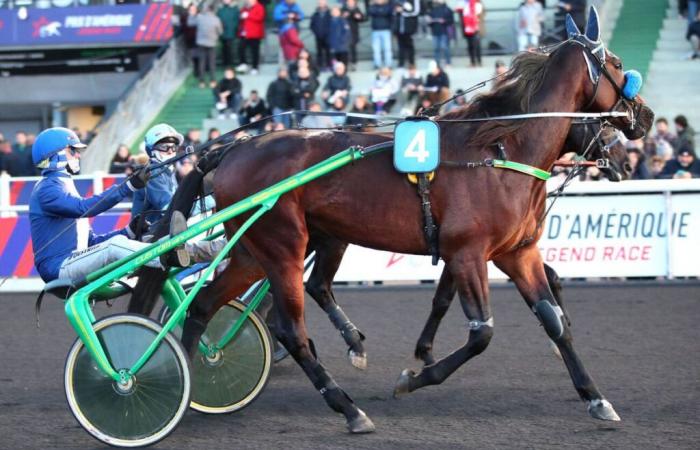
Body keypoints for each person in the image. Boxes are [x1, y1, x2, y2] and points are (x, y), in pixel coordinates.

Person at [28, 127, 183, 284]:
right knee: (114, 246)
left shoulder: (63, 185)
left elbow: (92, 243)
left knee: (121, 243)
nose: (78, 155)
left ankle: (177, 253)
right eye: (73, 150)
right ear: (56, 154)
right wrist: (127, 186)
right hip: (58, 267)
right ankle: (167, 258)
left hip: (71, 261)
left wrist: (129, 230)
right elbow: (83, 208)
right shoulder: (47, 188)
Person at [131, 124, 183, 224]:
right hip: (148, 236)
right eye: (164, 147)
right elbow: (169, 208)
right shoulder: (152, 173)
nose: (170, 151)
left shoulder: (167, 170)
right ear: (151, 151)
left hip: (162, 231)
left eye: (174, 147)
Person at [190, 3, 223, 88]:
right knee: (212, 62)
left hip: (201, 43)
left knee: (202, 62)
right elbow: (220, 32)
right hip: (212, 43)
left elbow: (190, 23)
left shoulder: (200, 17)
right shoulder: (216, 19)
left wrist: (192, 15)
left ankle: (202, 82)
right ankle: (212, 81)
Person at [237, 0, 265, 75]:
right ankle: (243, 64)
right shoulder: (245, 7)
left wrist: (248, 15)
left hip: (255, 34)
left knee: (255, 52)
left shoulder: (259, 7)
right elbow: (241, 17)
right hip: (245, 33)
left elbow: (260, 17)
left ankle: (255, 67)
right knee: (241, 48)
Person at [456, 0, 483, 67]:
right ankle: (473, 62)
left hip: (475, 28)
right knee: (470, 45)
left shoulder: (477, 4)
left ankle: (478, 61)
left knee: (476, 45)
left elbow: (479, 13)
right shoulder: (464, 4)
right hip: (467, 28)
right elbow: (460, 12)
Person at [394, 0, 420, 68]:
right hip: (399, 28)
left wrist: (403, 11)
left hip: (409, 28)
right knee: (400, 47)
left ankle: (411, 62)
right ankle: (401, 63)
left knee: (410, 46)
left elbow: (416, 12)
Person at [428, 0, 454, 68]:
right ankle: (437, 64)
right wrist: (430, 21)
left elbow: (451, 21)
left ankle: (448, 62)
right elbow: (429, 22)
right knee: (436, 49)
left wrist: (444, 21)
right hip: (435, 32)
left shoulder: (447, 9)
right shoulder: (432, 9)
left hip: (444, 32)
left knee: (445, 48)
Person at [369, 0, 394, 69]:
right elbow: (371, 13)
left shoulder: (388, 6)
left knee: (387, 48)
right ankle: (377, 64)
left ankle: (388, 64)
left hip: (386, 30)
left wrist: (379, 12)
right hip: (375, 30)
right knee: (376, 49)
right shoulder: (372, 6)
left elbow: (387, 13)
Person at [341, 0, 365, 71]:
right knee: (345, 49)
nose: (351, 3)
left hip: (354, 32)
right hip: (344, 33)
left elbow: (362, 18)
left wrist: (359, 17)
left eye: (352, 2)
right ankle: (346, 64)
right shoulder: (343, 9)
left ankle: (354, 63)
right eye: (349, 2)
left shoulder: (357, 9)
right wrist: (343, 16)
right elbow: (339, 18)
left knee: (353, 48)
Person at [217, 0, 240, 68]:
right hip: (223, 32)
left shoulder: (235, 9)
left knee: (230, 48)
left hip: (231, 32)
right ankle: (225, 63)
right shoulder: (220, 10)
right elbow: (218, 19)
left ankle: (230, 64)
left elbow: (237, 20)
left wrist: (234, 27)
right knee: (224, 48)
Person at [311, 0, 333, 70]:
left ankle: (329, 66)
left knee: (328, 52)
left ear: (326, 3)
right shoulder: (315, 14)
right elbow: (312, 25)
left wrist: (329, 32)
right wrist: (316, 32)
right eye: (320, 3)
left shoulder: (330, 13)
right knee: (319, 52)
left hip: (328, 37)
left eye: (322, 3)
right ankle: (320, 66)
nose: (321, 4)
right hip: (318, 37)